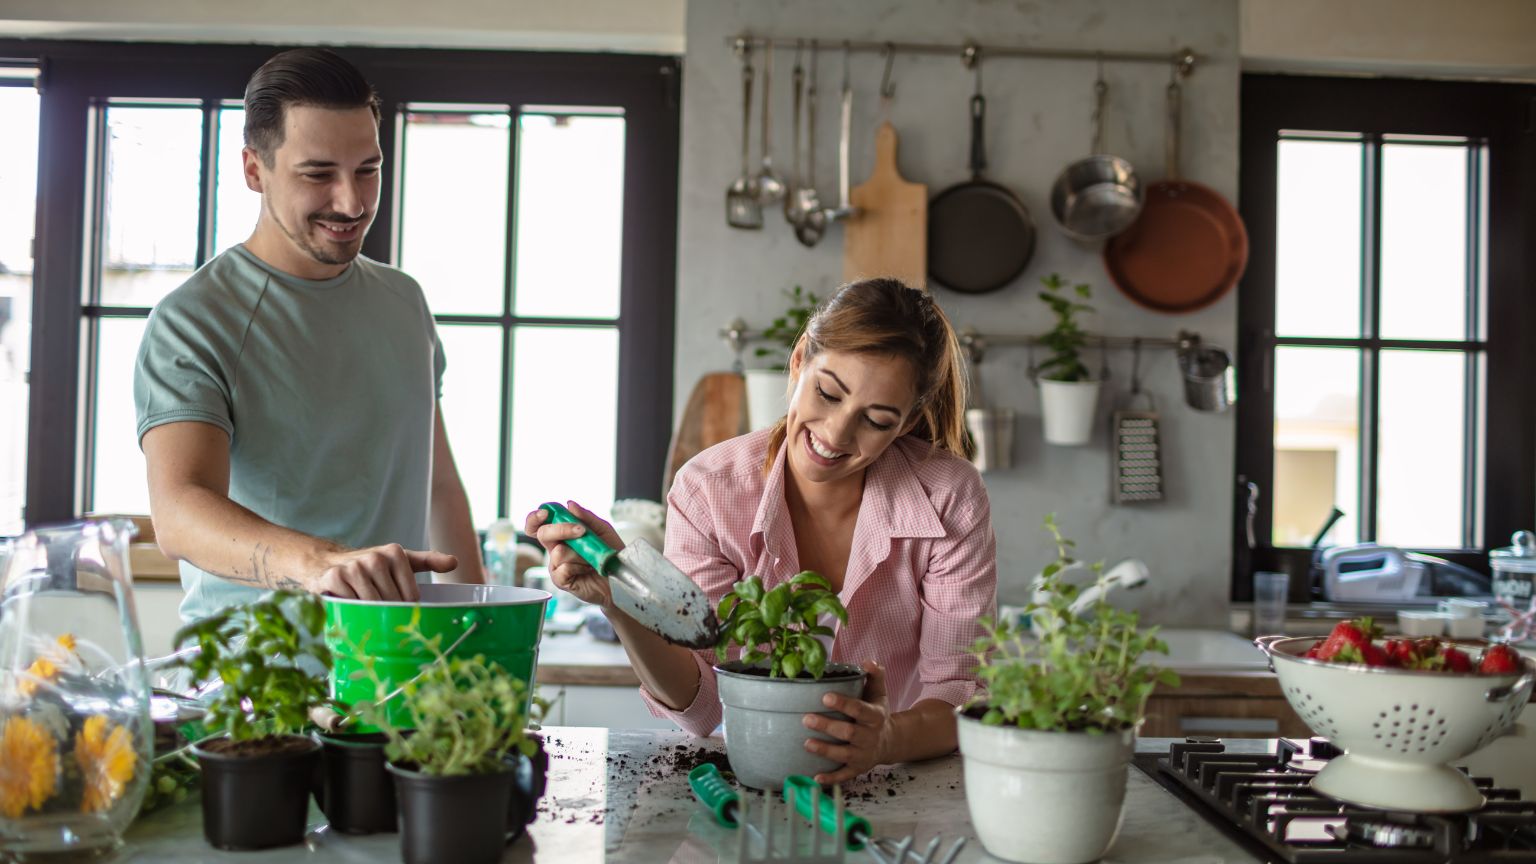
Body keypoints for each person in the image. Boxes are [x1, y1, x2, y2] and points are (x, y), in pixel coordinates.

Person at [528, 278, 996, 783]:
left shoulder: (949, 495)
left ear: (905, 424)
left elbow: (961, 691)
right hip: (752, 776)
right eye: (828, 393)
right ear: (799, 361)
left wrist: (885, 739)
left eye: (877, 420)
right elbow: (703, 708)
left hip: (899, 782)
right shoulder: (710, 490)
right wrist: (619, 600)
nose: (836, 434)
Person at [134, 48, 482, 624]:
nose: (351, 202)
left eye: (367, 169)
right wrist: (324, 564)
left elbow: (439, 486)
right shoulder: (193, 320)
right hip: (256, 682)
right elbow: (179, 511)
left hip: (400, 672)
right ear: (254, 170)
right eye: (318, 174)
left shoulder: (404, 301)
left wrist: (481, 636)